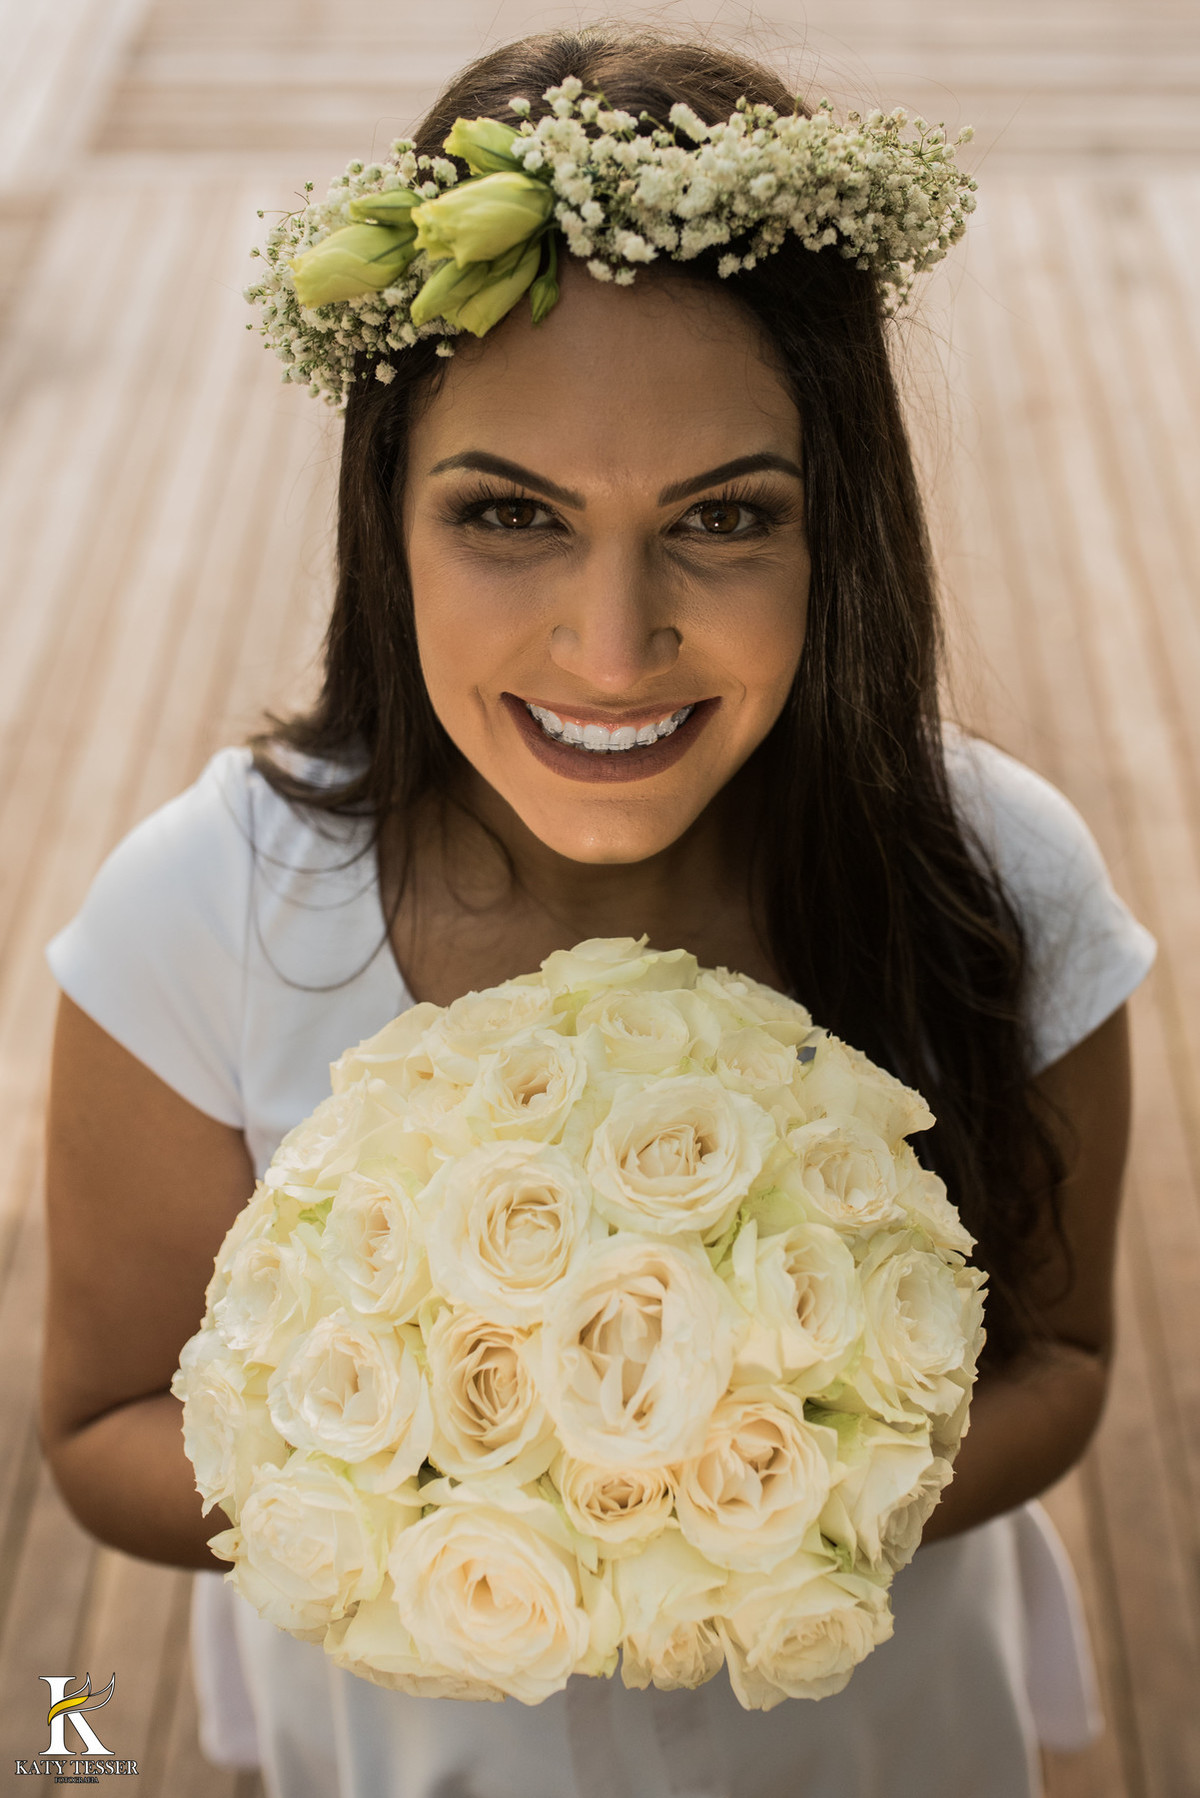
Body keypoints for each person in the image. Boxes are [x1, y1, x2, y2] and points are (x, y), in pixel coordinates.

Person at [40, 26, 1154, 1798]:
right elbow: (103, 1424)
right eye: (510, 516)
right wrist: (493, 1505)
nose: (615, 645)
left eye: (723, 515)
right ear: (382, 517)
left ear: (837, 528)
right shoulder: (200, 919)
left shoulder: (1001, 882)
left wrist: (745, 1508)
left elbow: (1067, 1353)